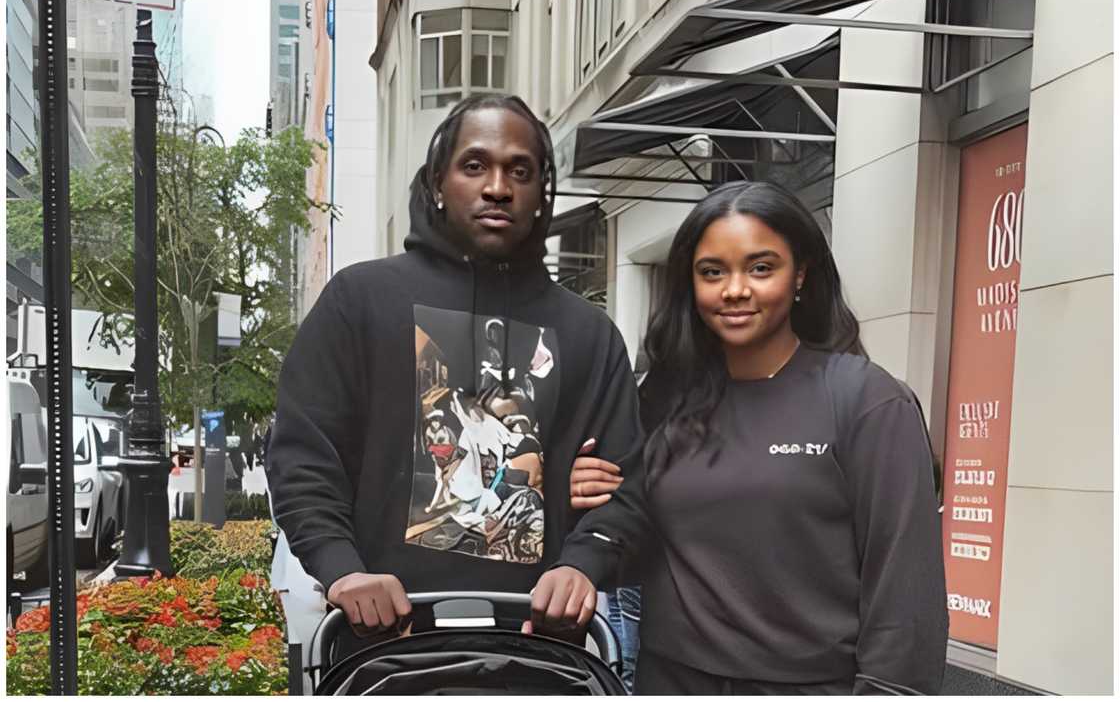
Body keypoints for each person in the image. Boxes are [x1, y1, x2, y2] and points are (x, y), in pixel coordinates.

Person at [265, 94, 646, 647]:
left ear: (543, 193)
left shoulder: (589, 333)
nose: (498, 186)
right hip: (383, 658)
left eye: (520, 170)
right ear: (437, 184)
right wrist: (341, 568)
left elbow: (625, 483)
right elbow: (304, 453)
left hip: (541, 663)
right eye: (475, 165)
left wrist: (584, 565)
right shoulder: (360, 300)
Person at [571, 181, 948, 694]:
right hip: (671, 682)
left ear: (801, 275)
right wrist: (590, 498)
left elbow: (907, 596)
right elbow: (635, 557)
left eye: (761, 267)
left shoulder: (866, 399)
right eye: (712, 272)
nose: (734, 289)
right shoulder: (660, 401)